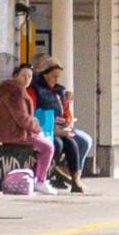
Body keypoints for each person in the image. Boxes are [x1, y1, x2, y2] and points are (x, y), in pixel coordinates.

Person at [0, 64, 51, 193]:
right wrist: (38, 129)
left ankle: (35, 177)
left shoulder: (11, 90)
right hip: (15, 135)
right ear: (15, 76)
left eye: (30, 76)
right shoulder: (15, 92)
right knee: (48, 147)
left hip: (13, 132)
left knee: (46, 141)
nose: (27, 79)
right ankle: (40, 180)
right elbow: (22, 119)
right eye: (23, 75)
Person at [34, 62, 93, 192]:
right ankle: (46, 174)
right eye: (54, 76)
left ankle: (75, 178)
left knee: (75, 142)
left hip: (60, 128)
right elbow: (34, 114)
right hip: (45, 129)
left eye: (58, 77)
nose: (56, 80)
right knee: (58, 143)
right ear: (44, 75)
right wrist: (54, 127)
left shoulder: (58, 91)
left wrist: (68, 121)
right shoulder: (36, 90)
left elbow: (66, 112)